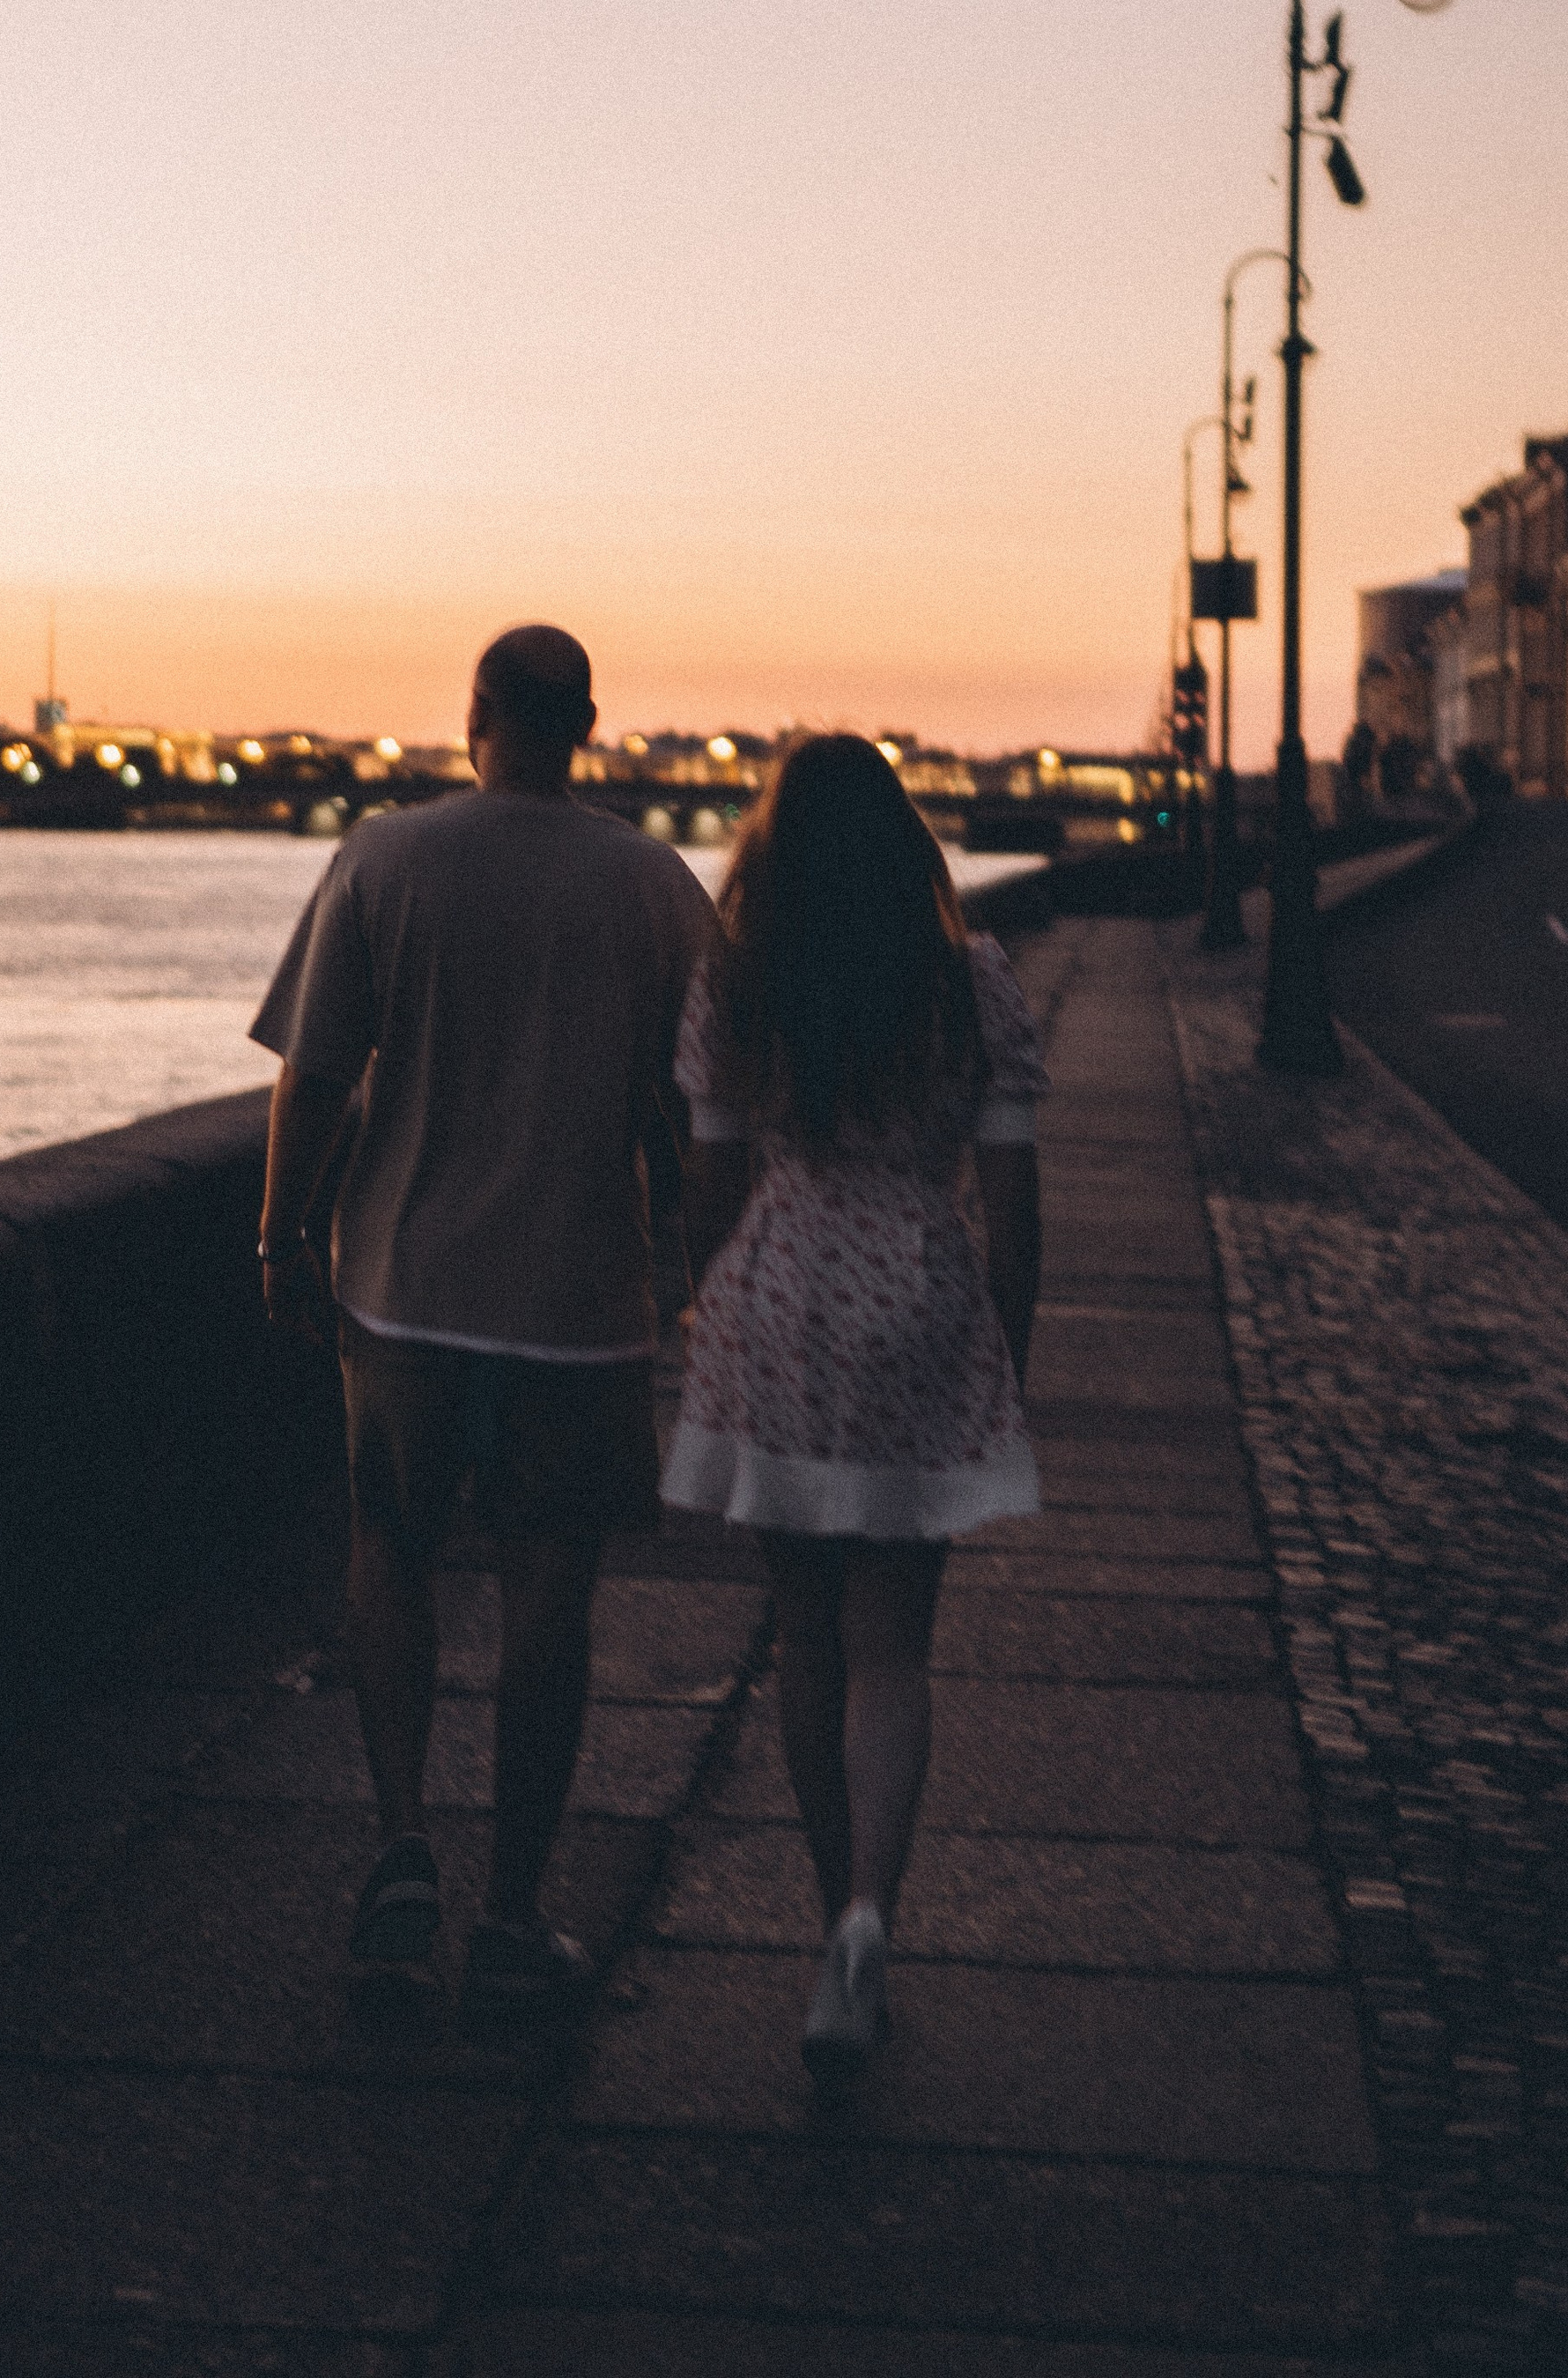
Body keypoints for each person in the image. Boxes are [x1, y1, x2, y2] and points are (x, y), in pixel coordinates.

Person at [251, 625, 714, 2017]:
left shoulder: (386, 859)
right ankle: (513, 1910)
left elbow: (315, 1078)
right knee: (550, 1602)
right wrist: (699, 1265)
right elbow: (698, 1110)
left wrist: (282, 1234)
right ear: (587, 726)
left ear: (477, 712)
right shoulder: (654, 887)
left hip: (405, 1288)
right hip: (579, 1304)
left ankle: (404, 1839)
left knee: (390, 1551)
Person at [660, 733, 1047, 2085]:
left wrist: (707, 1303)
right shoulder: (969, 984)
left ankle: (835, 1920)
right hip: (917, 1296)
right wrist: (1003, 1359)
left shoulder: (739, 985)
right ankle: (873, 1911)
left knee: (805, 1634)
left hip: (779, 1294)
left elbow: (710, 1184)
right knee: (894, 1643)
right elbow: (1015, 1209)